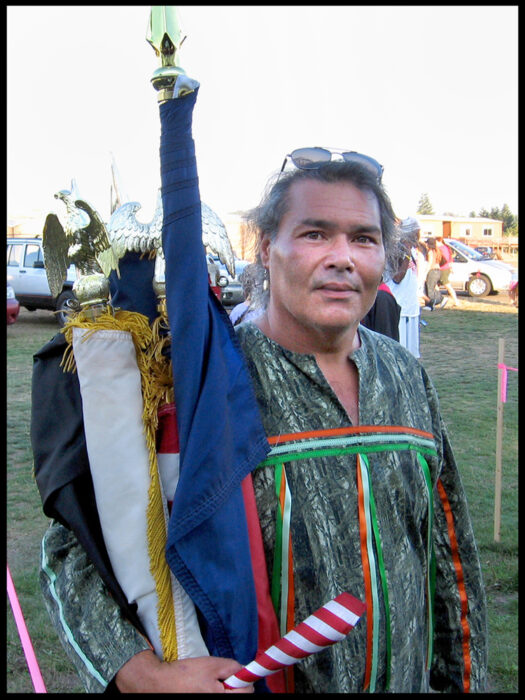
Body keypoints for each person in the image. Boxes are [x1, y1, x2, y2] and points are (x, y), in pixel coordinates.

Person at [33, 85, 487, 693]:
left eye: (364, 238)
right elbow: (75, 549)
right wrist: (142, 674)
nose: (343, 257)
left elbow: (451, 562)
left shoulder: (407, 378)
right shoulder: (205, 384)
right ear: (266, 248)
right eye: (315, 234)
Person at [383, 217, 421, 357]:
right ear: (410, 232)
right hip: (400, 306)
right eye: (417, 232)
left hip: (410, 307)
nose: (419, 236)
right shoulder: (397, 249)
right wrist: (407, 254)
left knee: (410, 353)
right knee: (400, 351)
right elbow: (397, 277)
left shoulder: (411, 250)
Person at [436, 236, 460, 307]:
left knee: (447, 285)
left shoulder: (441, 249)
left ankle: (455, 301)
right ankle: (438, 299)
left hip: (442, 269)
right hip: (446, 268)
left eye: (436, 242)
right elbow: (450, 259)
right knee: (436, 285)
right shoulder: (446, 248)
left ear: (439, 241)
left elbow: (441, 259)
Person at [425, 237, 447, 309]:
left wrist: (425, 273)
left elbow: (430, 263)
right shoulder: (438, 251)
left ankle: (439, 300)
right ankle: (431, 304)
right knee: (432, 287)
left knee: (430, 288)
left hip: (432, 271)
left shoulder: (431, 252)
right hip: (438, 271)